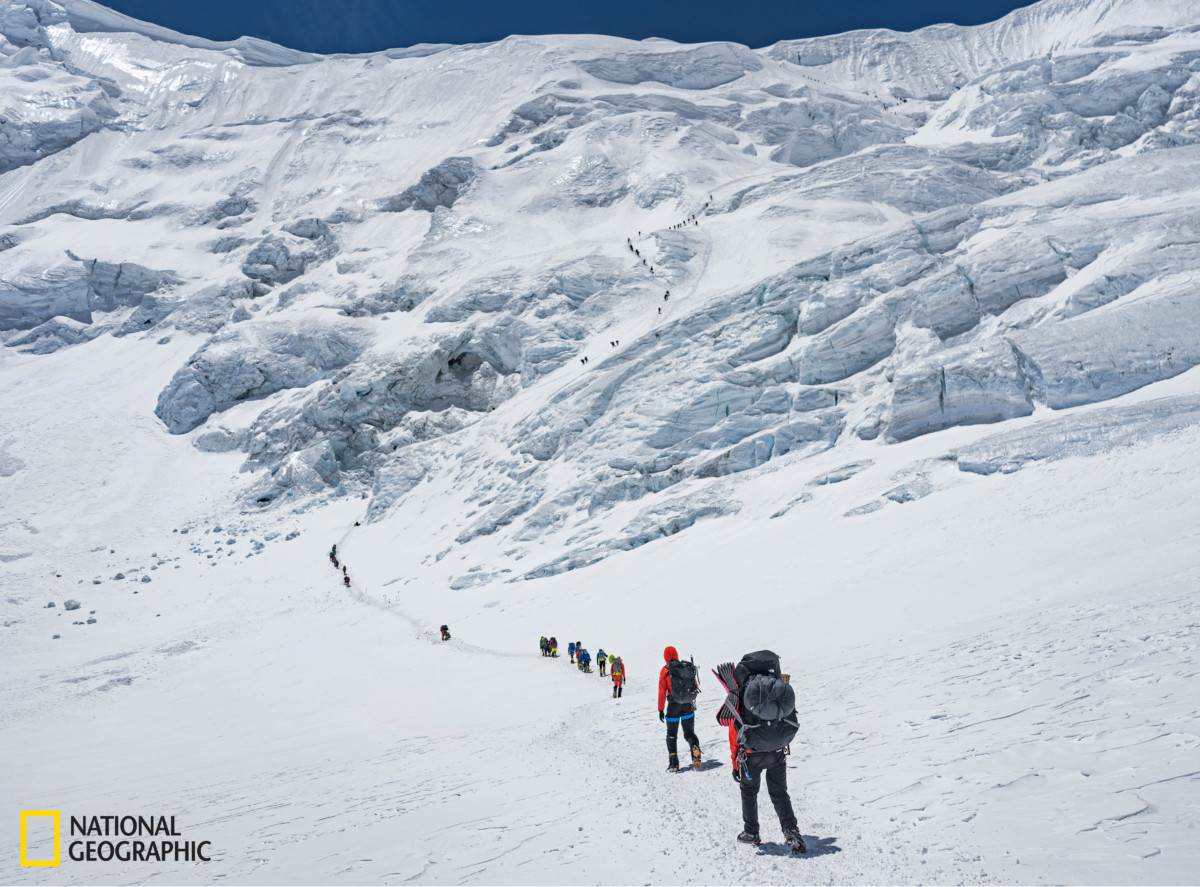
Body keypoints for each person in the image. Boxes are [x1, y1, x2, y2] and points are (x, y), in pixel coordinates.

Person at [719, 650, 804, 853]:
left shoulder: (741, 692)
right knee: (779, 792)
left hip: (751, 752)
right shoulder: (778, 687)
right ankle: (791, 831)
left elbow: (733, 731)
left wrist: (735, 763)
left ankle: (751, 832)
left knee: (749, 792)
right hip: (777, 749)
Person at [658, 645, 702, 771]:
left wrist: (660, 709)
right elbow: (695, 685)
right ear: (676, 655)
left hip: (673, 707)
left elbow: (662, 691)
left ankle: (674, 764)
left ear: (665, 657)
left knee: (671, 735)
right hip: (688, 705)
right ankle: (695, 750)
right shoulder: (685, 667)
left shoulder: (665, 670)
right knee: (689, 733)